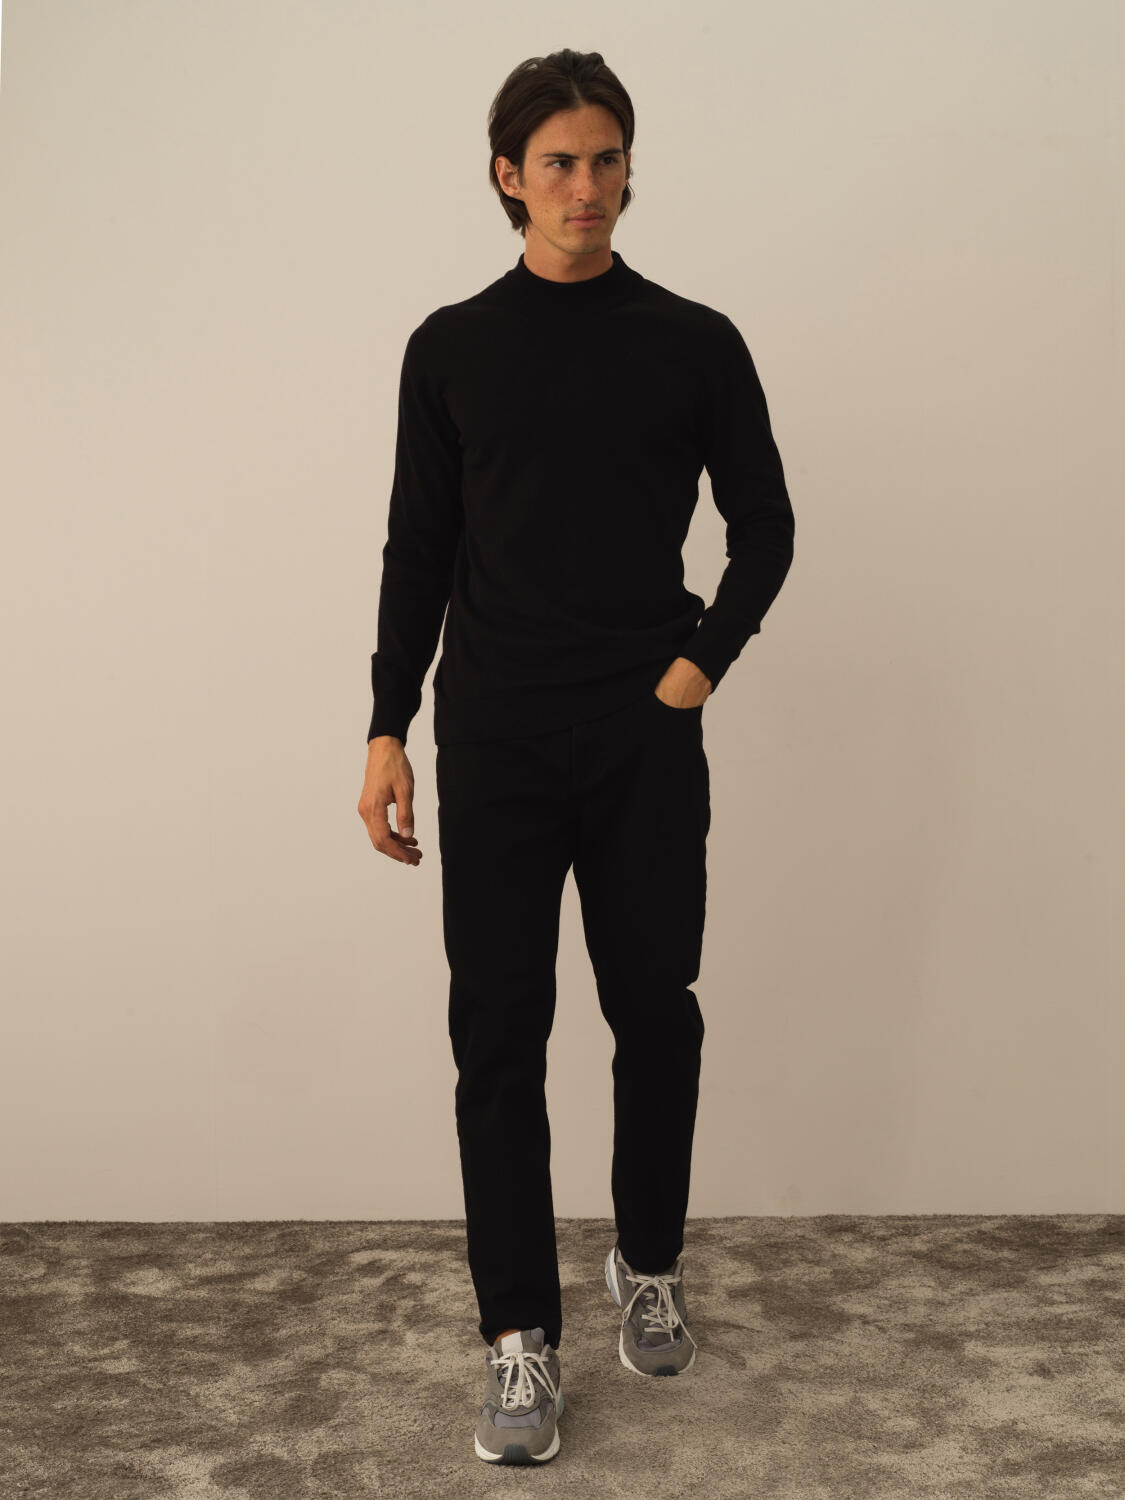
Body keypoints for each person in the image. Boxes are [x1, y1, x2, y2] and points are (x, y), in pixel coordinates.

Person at [357, 47, 795, 1466]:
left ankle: (648, 1263)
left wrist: (692, 670)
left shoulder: (692, 340)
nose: (587, 185)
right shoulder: (449, 347)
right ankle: (517, 1340)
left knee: (654, 1011)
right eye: (559, 162)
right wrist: (386, 725)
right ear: (508, 176)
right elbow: (418, 549)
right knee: (497, 1035)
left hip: (642, 736)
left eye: (607, 159)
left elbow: (766, 526)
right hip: (491, 734)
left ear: (628, 171)